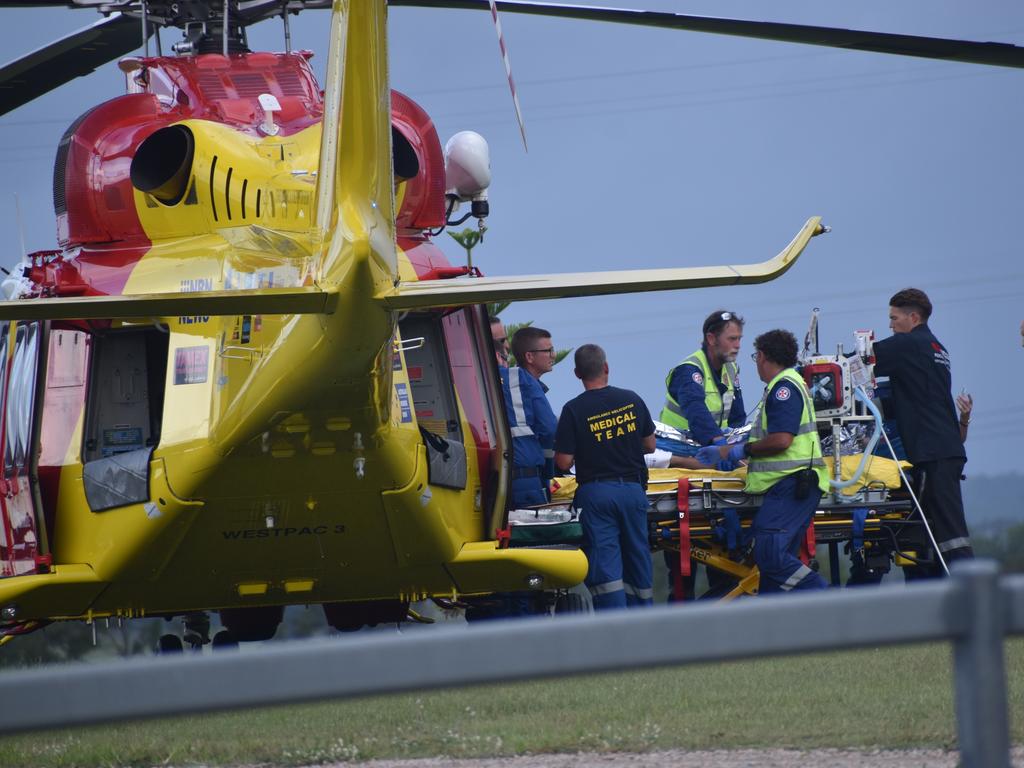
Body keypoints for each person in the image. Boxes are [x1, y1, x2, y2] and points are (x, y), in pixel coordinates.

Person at [696, 329, 828, 594]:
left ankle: (825, 600)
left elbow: (781, 440)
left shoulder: (784, 389)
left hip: (792, 485)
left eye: (756, 356)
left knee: (770, 555)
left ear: (765, 356)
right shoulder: (789, 384)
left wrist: (736, 452)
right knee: (772, 574)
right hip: (790, 486)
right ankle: (777, 629)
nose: (755, 361)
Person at [872, 288, 973, 575]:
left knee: (950, 536)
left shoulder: (909, 345)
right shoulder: (937, 348)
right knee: (932, 536)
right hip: (945, 450)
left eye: (894, 318)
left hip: (933, 455)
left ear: (913, 317)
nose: (890, 325)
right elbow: (918, 398)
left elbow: (864, 360)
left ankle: (972, 596)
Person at [554, 344, 656, 610]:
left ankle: (615, 631)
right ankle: (644, 624)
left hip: (596, 495)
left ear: (577, 373)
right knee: (638, 556)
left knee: (604, 561)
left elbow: (563, 462)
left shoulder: (573, 410)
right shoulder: (632, 399)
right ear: (606, 367)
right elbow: (650, 445)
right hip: (633, 491)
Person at [660, 310, 746, 451]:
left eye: (739, 339)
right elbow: (695, 409)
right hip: (679, 446)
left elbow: (737, 415)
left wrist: (738, 442)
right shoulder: (689, 370)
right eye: (731, 339)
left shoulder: (731, 368)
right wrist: (718, 441)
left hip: (710, 445)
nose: (738, 345)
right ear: (711, 339)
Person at [511, 326, 558, 493]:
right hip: (529, 479)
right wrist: (550, 472)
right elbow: (549, 428)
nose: (553, 355)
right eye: (548, 350)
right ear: (529, 356)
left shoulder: (515, 384)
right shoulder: (529, 385)